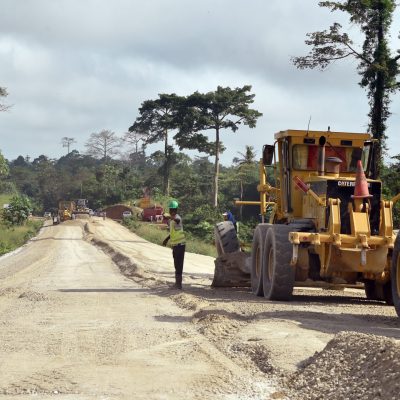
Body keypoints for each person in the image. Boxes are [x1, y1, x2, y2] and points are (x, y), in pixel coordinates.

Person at [162, 200, 185, 289]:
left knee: (179, 264)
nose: (172, 211)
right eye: (171, 209)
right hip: (175, 245)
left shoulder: (177, 218)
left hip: (180, 245)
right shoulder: (172, 221)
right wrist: (166, 239)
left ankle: (179, 284)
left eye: (173, 209)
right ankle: (177, 283)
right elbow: (173, 233)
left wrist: (171, 217)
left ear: (176, 210)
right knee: (176, 264)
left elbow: (178, 220)